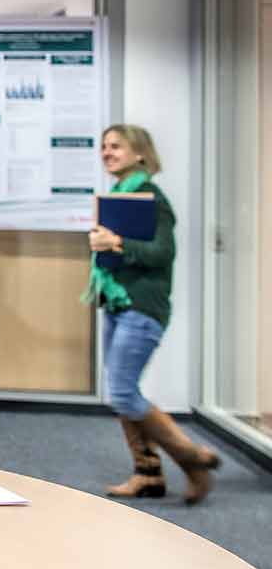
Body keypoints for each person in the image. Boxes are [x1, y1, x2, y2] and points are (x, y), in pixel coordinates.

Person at [88, 123, 219, 504]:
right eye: (104, 146)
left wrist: (116, 241)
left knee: (124, 394)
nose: (107, 152)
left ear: (140, 153)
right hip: (117, 303)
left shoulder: (153, 198)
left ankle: (191, 458)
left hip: (142, 308)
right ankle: (148, 475)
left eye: (116, 146)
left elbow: (162, 254)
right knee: (122, 393)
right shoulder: (118, 195)